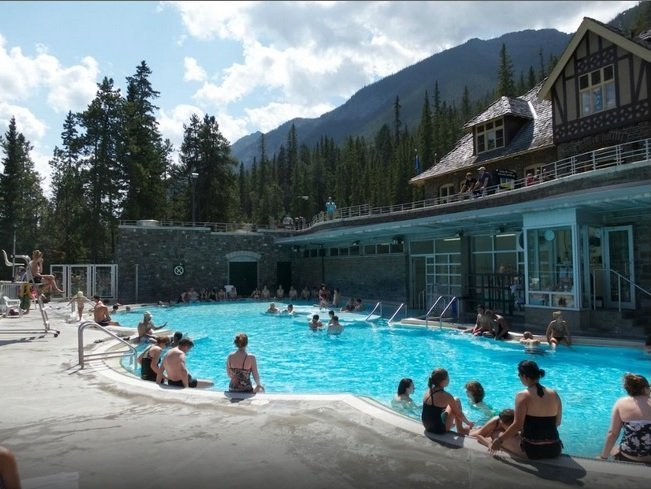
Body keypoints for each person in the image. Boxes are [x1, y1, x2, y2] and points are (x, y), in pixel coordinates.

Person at [489, 360, 563, 459]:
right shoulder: (554, 394)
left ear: (525, 376)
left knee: (495, 434)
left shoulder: (523, 395)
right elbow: (557, 423)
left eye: (519, 375)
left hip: (533, 450)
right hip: (555, 448)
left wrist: (499, 440)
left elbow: (517, 426)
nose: (519, 377)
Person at [599, 373, 651, 463]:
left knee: (613, 449)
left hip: (629, 455)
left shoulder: (621, 403)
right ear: (645, 388)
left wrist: (603, 457)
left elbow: (613, 434)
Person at [421, 368, 474, 435]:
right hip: (438, 429)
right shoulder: (446, 396)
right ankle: (461, 430)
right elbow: (459, 414)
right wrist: (469, 423)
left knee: (448, 406)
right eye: (447, 378)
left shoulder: (428, 391)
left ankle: (450, 424)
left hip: (427, 426)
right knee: (456, 400)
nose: (449, 380)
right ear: (442, 381)